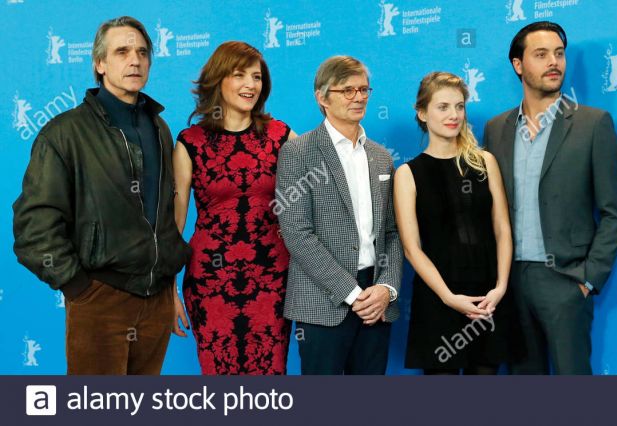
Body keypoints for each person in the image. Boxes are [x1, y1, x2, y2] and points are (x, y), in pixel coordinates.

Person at [12, 16, 190, 375]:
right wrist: (79, 287)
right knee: (96, 405)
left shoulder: (158, 127)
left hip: (155, 301)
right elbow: (34, 226)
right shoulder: (64, 133)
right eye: (122, 52)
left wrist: (168, 283)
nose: (135, 60)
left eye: (142, 52)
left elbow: (162, 214)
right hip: (100, 300)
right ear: (100, 64)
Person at [483, 21, 617, 374]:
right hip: (510, 283)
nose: (554, 62)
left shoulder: (593, 124)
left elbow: (614, 212)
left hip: (565, 280)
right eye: (541, 54)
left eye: (559, 54)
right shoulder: (496, 129)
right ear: (518, 64)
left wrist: (587, 279)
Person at [173, 41, 297, 375]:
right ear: (218, 80)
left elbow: (318, 194)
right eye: (239, 75)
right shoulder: (190, 142)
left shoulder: (281, 136)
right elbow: (174, 225)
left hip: (272, 280)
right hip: (210, 283)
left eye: (256, 77)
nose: (250, 85)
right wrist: (168, 289)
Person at [276, 56, 402, 375]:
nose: (358, 97)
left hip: (376, 299)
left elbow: (392, 232)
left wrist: (386, 288)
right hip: (322, 302)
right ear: (322, 97)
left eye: (363, 89)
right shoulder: (298, 152)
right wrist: (352, 293)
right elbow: (297, 233)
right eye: (347, 90)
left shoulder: (381, 157)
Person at [395, 72, 522, 374]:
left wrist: (501, 287)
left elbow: (502, 229)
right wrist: (448, 297)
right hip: (439, 298)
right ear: (422, 113)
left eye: (459, 106)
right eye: (443, 107)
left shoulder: (485, 162)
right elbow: (412, 249)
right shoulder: (408, 174)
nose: (454, 115)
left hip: (489, 297)